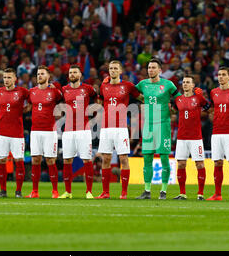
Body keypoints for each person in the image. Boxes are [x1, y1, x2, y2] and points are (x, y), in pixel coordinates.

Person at [135, 58, 181, 200]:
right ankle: (147, 191)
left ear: (160, 70)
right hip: (148, 125)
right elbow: (132, 93)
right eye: (149, 67)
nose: (151, 70)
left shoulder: (168, 84)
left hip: (163, 125)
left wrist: (173, 110)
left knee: (164, 157)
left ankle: (163, 191)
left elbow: (179, 100)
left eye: (154, 67)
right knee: (147, 158)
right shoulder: (143, 84)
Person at [97, 60, 141, 199]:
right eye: (111, 68)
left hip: (121, 128)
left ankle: (124, 192)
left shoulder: (128, 86)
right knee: (106, 158)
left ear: (121, 71)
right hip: (106, 127)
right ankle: (105, 192)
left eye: (116, 68)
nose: (113, 70)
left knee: (123, 158)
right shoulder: (103, 86)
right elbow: (99, 101)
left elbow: (141, 97)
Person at [59, 65, 97, 199]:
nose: (72, 74)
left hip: (84, 130)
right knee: (67, 160)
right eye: (70, 72)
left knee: (87, 160)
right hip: (68, 130)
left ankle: (89, 191)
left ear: (80, 74)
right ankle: (68, 191)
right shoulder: (64, 90)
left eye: (75, 72)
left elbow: (97, 98)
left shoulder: (87, 89)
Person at [25, 65, 62, 199]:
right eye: (38, 74)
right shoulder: (32, 92)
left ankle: (55, 191)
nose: (39, 76)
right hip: (35, 131)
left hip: (49, 131)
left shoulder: (54, 92)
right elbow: (28, 106)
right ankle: (34, 191)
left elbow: (63, 103)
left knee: (50, 160)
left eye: (42, 74)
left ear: (48, 77)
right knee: (35, 159)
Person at [207, 66, 229, 201]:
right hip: (216, 133)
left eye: (223, 75)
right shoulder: (213, 92)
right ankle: (217, 194)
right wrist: (213, 117)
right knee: (217, 163)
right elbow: (211, 109)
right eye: (219, 74)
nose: (220, 77)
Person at [0, 68, 29, 198]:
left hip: (17, 133)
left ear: (15, 79)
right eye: (5, 77)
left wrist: (25, 110)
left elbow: (32, 101)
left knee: (19, 161)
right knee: (1, 161)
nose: (6, 80)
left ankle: (18, 191)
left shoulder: (22, 91)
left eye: (9, 77)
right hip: (1, 132)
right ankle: (3, 190)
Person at [173, 75, 209, 200]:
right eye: (183, 82)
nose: (185, 84)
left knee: (199, 164)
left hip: (196, 137)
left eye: (188, 82)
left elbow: (208, 107)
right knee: (181, 164)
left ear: (193, 85)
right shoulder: (178, 99)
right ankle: (182, 193)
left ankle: (200, 194)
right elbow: (172, 111)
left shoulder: (198, 98)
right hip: (182, 137)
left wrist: (202, 97)